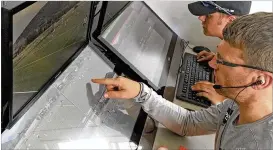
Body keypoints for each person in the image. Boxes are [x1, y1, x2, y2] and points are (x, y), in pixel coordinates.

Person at [92, 12, 273, 149]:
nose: (213, 63)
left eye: (223, 61)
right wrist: (141, 92)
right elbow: (188, 123)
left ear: (260, 81)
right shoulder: (236, 105)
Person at [188, 1, 252, 104]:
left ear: (230, 21)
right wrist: (218, 58)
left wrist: (224, 101)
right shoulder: (232, 43)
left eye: (208, 15)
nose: (201, 18)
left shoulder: (250, 56)